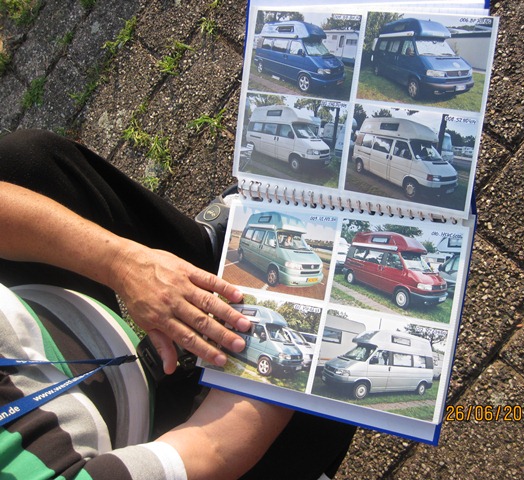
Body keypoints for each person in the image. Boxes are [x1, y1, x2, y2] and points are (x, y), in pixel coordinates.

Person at [0, 129, 355, 479]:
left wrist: (121, 264)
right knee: (318, 407)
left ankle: (203, 255)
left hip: (58, 331)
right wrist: (303, 344)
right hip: (153, 438)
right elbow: (212, 448)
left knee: (24, 163)